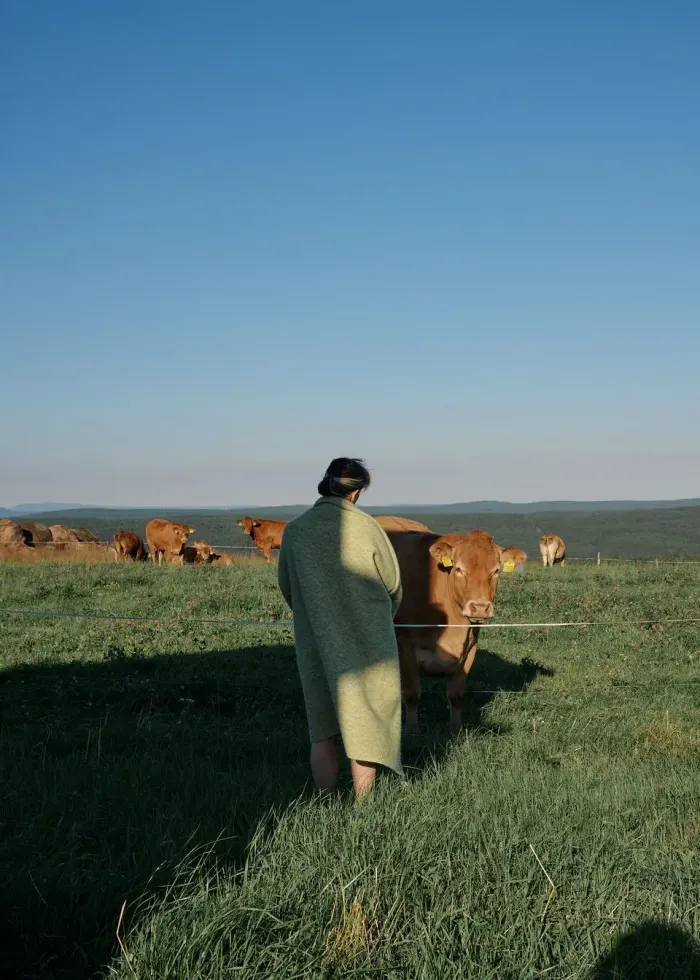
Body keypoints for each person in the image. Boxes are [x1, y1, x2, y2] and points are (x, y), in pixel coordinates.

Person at [277, 458, 404, 798]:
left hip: (314, 639)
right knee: (366, 723)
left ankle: (326, 802)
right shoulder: (368, 528)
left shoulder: (295, 531)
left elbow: (288, 587)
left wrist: (314, 617)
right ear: (356, 492)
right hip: (368, 641)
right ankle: (364, 810)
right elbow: (393, 586)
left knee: (321, 728)